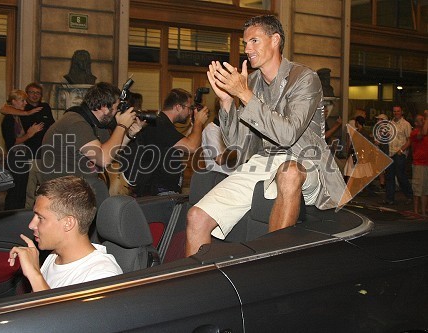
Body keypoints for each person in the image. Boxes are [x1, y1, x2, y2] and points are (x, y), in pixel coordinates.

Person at [185, 15, 348, 256]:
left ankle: (270, 269)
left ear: (275, 40)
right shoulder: (250, 82)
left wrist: (244, 94)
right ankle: (199, 289)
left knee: (289, 173)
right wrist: (227, 102)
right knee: (196, 217)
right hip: (263, 161)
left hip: (305, 160)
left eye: (254, 41)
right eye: (245, 44)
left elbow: (288, 134)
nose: (247, 49)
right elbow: (237, 145)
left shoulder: (304, 78)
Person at [8, 176, 122, 292]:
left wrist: (35, 274)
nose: (31, 225)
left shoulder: (101, 275)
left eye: (40, 218)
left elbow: (55, 311)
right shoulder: (54, 256)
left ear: (68, 223)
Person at [29, 82, 144, 196]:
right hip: (63, 193)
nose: (117, 113)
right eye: (116, 108)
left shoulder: (95, 124)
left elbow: (110, 151)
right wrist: (122, 126)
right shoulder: (76, 123)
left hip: (80, 187)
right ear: (104, 108)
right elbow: (103, 159)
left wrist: (129, 134)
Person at [119, 88, 208, 196]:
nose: (190, 112)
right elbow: (192, 146)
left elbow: (181, 146)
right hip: (159, 192)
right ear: (178, 107)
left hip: (160, 190)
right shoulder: (161, 124)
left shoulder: (163, 124)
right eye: (189, 108)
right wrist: (199, 122)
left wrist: (194, 127)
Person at [1, 89, 44, 210]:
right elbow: (11, 142)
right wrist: (29, 134)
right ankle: (10, 216)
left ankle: (17, 214)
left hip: (21, 156)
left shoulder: (17, 116)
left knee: (21, 189)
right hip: (15, 157)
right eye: (22, 100)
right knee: (16, 189)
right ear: (14, 102)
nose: (25, 103)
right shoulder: (9, 119)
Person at [382, 105, 413, 205]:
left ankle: (409, 195)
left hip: (400, 153)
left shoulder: (406, 124)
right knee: (389, 176)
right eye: (394, 111)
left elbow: (409, 140)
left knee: (400, 175)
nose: (396, 113)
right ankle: (389, 198)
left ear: (401, 112)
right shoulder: (390, 123)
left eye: (398, 111)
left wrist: (401, 150)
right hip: (390, 152)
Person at [201, 100, 238, 174]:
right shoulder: (211, 130)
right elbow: (220, 160)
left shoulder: (231, 130)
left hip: (231, 177)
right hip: (218, 178)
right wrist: (243, 150)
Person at [409, 112, 428, 215]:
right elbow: (423, 132)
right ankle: (417, 211)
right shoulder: (415, 132)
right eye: (422, 119)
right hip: (419, 164)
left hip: (426, 164)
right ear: (416, 123)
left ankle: (424, 211)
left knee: (425, 189)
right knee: (418, 189)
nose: (424, 121)